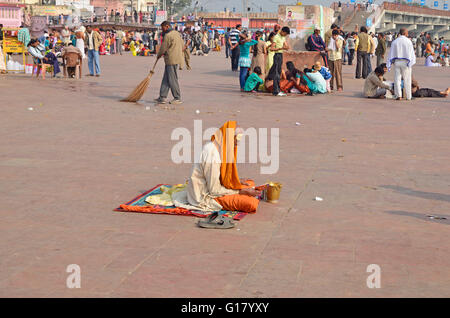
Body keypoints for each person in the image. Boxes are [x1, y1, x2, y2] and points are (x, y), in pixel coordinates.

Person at [171, 121, 261, 214]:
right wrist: (240, 192)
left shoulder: (222, 148)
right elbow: (214, 190)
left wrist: (235, 181)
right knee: (251, 203)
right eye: (237, 138)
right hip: (206, 196)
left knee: (249, 184)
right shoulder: (211, 154)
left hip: (216, 187)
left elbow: (221, 175)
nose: (238, 143)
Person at [155, 21, 184, 105]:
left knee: (172, 79)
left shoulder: (168, 36)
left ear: (167, 26)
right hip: (176, 58)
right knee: (166, 78)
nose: (162, 29)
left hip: (171, 59)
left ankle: (177, 98)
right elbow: (182, 45)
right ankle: (162, 97)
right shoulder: (176, 33)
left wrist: (159, 55)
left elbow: (163, 48)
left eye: (162, 27)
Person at [387, 28, 416, 101]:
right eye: (407, 32)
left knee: (397, 79)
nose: (408, 34)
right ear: (405, 33)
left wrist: (391, 62)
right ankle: (409, 96)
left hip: (397, 61)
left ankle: (398, 95)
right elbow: (411, 54)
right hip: (405, 62)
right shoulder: (408, 41)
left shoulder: (395, 41)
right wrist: (411, 62)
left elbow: (391, 53)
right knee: (407, 79)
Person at [269, 26, 290, 97]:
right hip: (277, 55)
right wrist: (281, 48)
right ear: (283, 31)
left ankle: (277, 89)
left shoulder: (283, 37)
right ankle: (276, 91)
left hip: (280, 55)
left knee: (279, 72)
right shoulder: (276, 37)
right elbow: (272, 48)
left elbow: (286, 45)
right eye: (285, 34)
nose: (285, 35)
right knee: (276, 74)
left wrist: (286, 47)